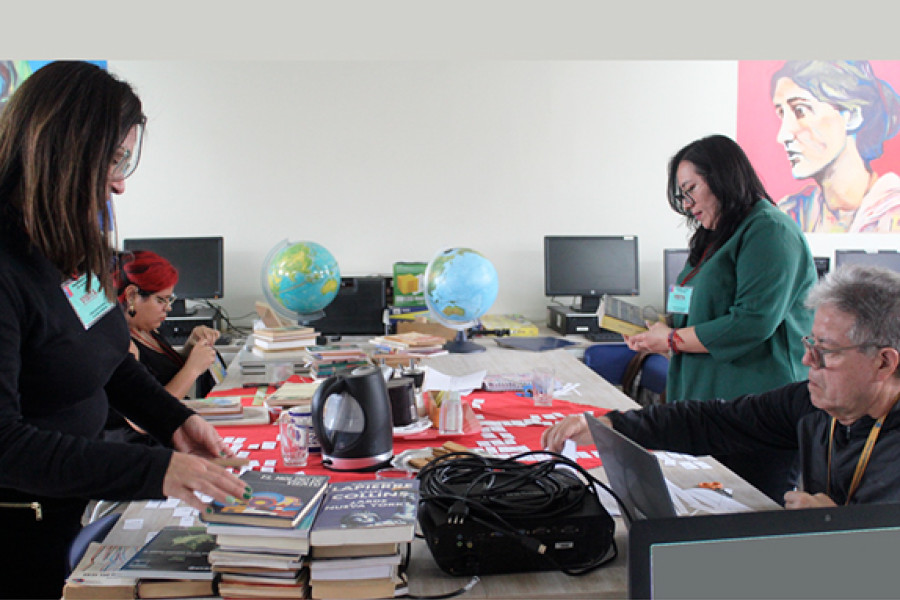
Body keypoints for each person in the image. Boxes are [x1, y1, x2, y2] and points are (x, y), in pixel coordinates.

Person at [0, 61, 248, 599]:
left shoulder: (68, 244)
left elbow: (107, 358)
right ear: (62, 153)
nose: (119, 183)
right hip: (22, 539)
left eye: (125, 161)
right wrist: (158, 469)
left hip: (82, 507)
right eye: (113, 160)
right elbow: (4, 443)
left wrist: (175, 421)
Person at [544, 265, 900, 508]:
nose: (809, 361)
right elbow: (715, 420)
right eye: (811, 345)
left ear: (884, 362)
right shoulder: (814, 404)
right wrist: (614, 424)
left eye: (827, 352)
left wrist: (848, 530)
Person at [623, 134, 817, 502]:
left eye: (691, 188)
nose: (687, 203)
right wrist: (661, 336)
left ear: (724, 176)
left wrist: (671, 340)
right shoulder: (715, 236)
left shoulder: (769, 230)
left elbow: (752, 322)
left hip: (755, 413)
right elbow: (697, 313)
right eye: (682, 194)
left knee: (750, 518)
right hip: (707, 409)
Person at [105, 249, 220, 445]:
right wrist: (192, 369)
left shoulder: (146, 330)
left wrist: (189, 348)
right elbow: (143, 417)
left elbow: (158, 375)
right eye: (161, 300)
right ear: (132, 295)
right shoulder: (123, 345)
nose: (167, 308)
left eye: (169, 299)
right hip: (142, 450)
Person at [771, 60, 900, 233]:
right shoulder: (790, 214)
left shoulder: (893, 213)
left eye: (800, 111)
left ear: (852, 116)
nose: (783, 136)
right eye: (781, 114)